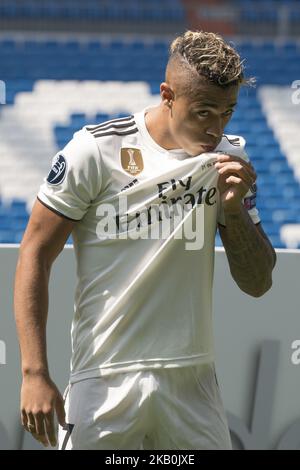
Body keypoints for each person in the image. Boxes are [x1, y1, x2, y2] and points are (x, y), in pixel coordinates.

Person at [14, 30, 276, 450]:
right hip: (103, 378)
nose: (216, 128)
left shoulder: (229, 162)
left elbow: (258, 283)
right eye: (203, 112)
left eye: (227, 112)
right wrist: (33, 373)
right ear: (168, 95)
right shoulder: (95, 151)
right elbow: (35, 253)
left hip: (193, 383)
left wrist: (233, 213)